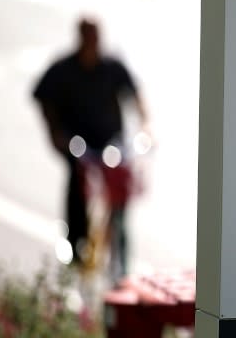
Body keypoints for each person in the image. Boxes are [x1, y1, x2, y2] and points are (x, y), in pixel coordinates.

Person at [32, 17, 148, 276]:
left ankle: (119, 249)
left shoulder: (112, 66)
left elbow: (135, 94)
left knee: (119, 185)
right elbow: (43, 97)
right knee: (77, 180)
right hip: (77, 143)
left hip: (109, 141)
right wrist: (55, 132)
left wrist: (145, 125)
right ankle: (76, 244)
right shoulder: (63, 69)